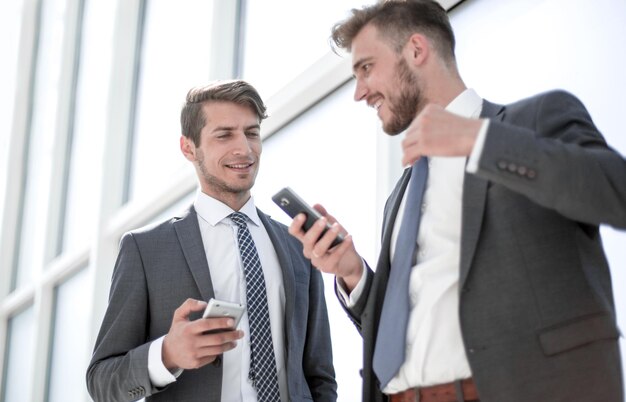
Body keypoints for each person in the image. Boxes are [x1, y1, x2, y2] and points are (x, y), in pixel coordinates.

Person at [287, 1, 626, 402]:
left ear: (416, 50)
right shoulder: (401, 195)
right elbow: (404, 330)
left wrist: (476, 140)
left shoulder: (533, 121)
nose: (359, 92)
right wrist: (354, 273)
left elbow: (615, 191)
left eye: (365, 68)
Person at [86, 80, 337, 402]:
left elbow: (319, 376)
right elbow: (102, 383)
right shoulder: (146, 250)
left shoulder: (296, 246)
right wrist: (166, 354)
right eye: (224, 135)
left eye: (252, 133)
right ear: (189, 148)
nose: (244, 149)